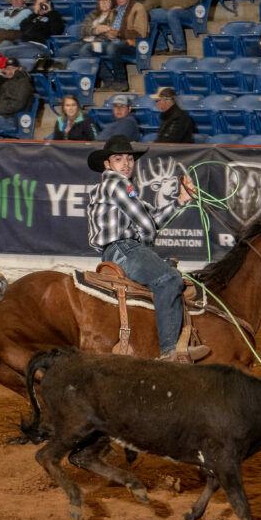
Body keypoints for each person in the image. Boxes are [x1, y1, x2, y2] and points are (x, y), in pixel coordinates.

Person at [85, 134, 206, 363]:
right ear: (107, 164)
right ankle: (170, 351)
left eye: (130, 159)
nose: (126, 163)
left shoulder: (115, 188)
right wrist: (148, 248)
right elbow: (147, 224)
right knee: (169, 279)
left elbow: (152, 218)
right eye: (119, 159)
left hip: (115, 251)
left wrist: (181, 200)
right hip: (124, 248)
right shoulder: (117, 183)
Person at [57, 0, 148, 91]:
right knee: (88, 48)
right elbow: (108, 29)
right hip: (111, 42)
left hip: (130, 44)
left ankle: (122, 81)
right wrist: (109, 33)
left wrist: (118, 33)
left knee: (112, 47)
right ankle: (109, 80)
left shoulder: (138, 8)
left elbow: (141, 32)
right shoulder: (115, 11)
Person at [0, 0, 65, 60]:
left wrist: (50, 12)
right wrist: (35, 14)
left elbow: (57, 30)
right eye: (38, 4)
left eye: (43, 4)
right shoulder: (31, 18)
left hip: (40, 47)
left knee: (3, 52)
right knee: (4, 46)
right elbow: (23, 27)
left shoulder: (53, 16)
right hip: (25, 44)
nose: (41, 6)